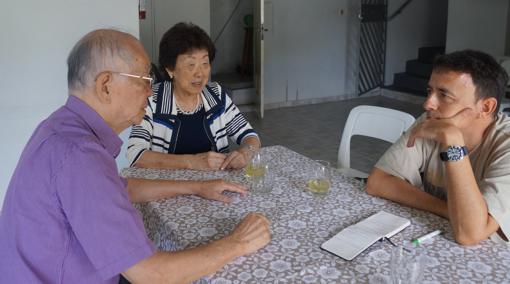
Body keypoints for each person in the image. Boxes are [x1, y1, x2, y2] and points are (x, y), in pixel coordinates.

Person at [0, 29, 270, 283]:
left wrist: (197, 186)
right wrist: (239, 243)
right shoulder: (80, 154)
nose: (151, 91)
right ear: (106, 85)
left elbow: (119, 188)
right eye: (144, 80)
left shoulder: (61, 126)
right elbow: (151, 274)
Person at [366, 50, 510, 246]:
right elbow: (378, 182)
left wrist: (453, 142)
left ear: (485, 108)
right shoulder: (433, 122)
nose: (428, 104)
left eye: (444, 95)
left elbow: (469, 235)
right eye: (430, 91)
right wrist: (452, 211)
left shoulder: (504, 145)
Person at [127, 22, 260, 171]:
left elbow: (250, 136)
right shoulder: (152, 101)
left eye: (205, 63)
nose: (200, 73)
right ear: (170, 69)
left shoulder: (216, 95)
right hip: (169, 189)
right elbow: (135, 155)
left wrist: (245, 152)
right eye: (191, 65)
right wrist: (192, 162)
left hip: (214, 187)